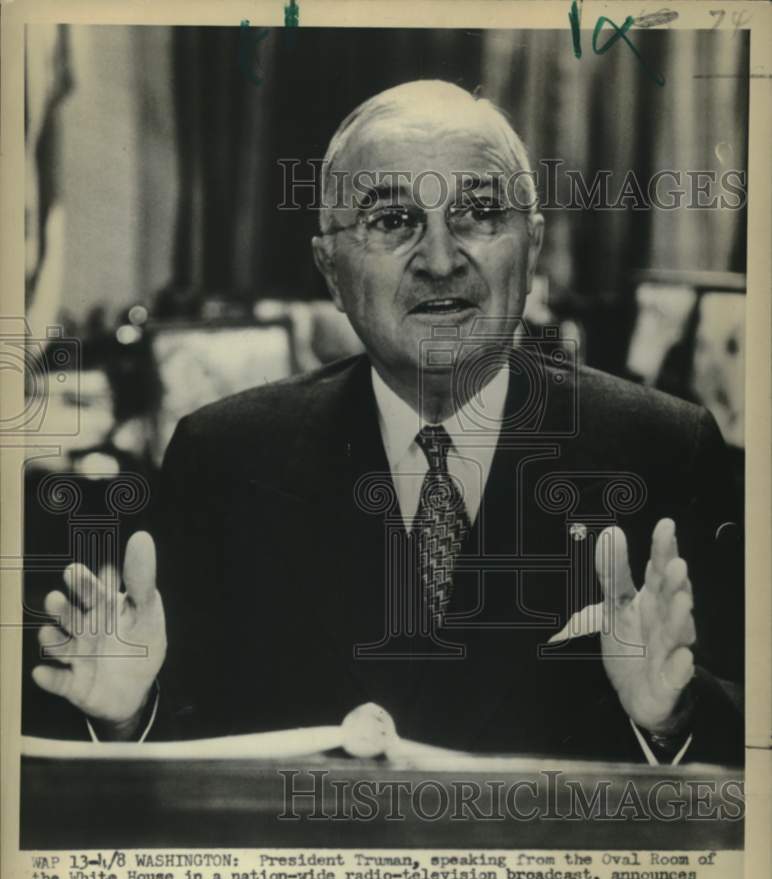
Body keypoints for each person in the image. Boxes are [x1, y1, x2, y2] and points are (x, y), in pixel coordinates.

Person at [31, 81, 742, 763]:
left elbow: (748, 742)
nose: (438, 259)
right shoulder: (224, 459)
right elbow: (191, 739)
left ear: (531, 250)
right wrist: (126, 717)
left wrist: (672, 720)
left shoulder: (665, 451)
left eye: (480, 212)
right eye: (393, 221)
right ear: (332, 271)